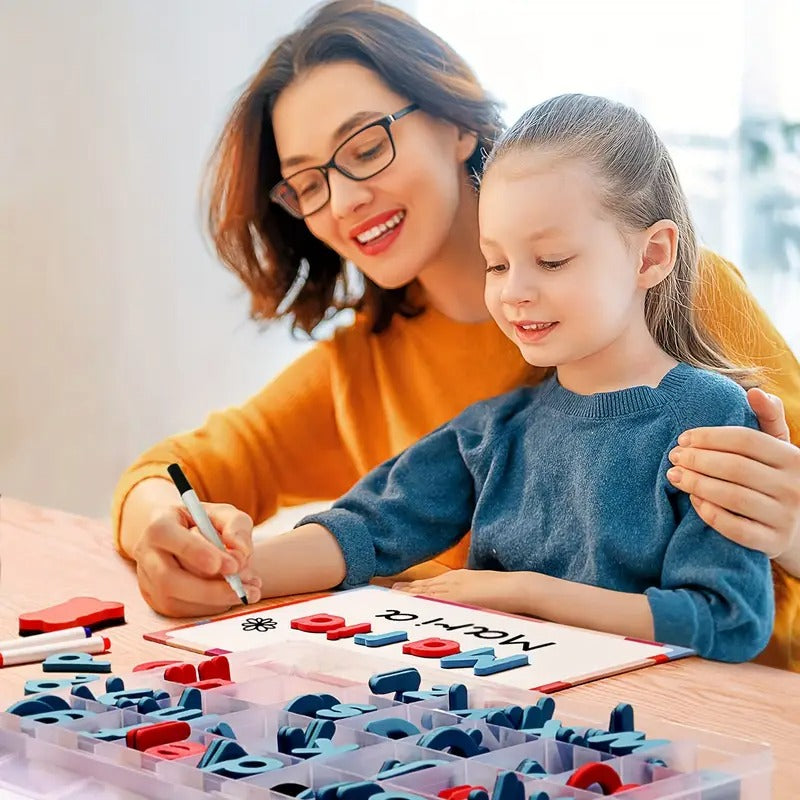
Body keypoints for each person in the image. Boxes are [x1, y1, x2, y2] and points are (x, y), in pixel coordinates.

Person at [112, 1, 800, 668]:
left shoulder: (687, 306)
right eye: (307, 183)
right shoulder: (392, 381)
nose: (345, 198)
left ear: (456, 123)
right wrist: (183, 548)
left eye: (365, 146)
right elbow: (198, 477)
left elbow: (732, 611)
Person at [240, 93, 775, 663]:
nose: (514, 292)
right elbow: (366, 529)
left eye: (550, 261)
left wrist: (527, 594)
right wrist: (234, 568)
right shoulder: (492, 432)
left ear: (650, 256)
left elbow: (727, 619)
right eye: (495, 264)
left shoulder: (710, 418)